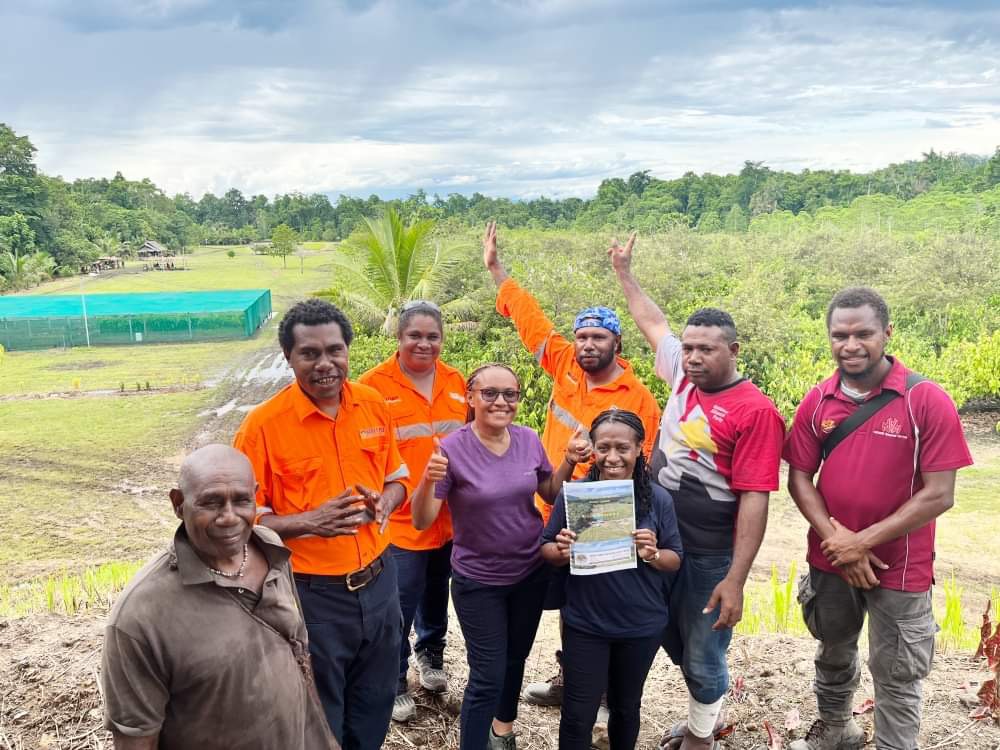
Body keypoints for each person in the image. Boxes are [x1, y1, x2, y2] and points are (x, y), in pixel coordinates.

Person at [610, 234, 786, 750]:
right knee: (667, 635)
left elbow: (755, 498)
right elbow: (652, 322)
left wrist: (736, 579)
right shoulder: (683, 378)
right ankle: (703, 714)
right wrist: (625, 274)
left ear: (733, 351)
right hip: (658, 538)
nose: (692, 357)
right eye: (687, 348)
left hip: (708, 553)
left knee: (705, 650)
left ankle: (702, 736)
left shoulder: (756, 411)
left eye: (706, 349)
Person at [783, 287, 973, 750]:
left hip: (901, 566)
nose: (850, 345)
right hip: (831, 559)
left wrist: (861, 542)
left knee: (898, 671)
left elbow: (939, 494)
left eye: (863, 334)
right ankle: (836, 730)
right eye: (839, 335)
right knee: (833, 651)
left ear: (886, 333)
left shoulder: (925, 400)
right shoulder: (818, 400)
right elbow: (800, 478)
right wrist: (839, 542)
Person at [483, 220, 662, 706]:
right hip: (548, 503)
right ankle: (565, 677)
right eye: (582, 336)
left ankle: (596, 690)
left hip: (600, 513)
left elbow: (642, 467)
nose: (587, 344)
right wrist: (497, 270)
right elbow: (529, 318)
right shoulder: (563, 364)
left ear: (616, 344)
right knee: (554, 596)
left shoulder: (637, 398)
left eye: (598, 337)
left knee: (591, 599)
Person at [233, 298, 410, 750]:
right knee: (320, 711)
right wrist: (309, 522)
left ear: (348, 350)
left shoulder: (372, 405)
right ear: (288, 357)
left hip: (381, 581)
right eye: (309, 353)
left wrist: (386, 502)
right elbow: (241, 518)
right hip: (312, 594)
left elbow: (398, 478)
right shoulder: (262, 427)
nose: (325, 363)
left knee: (375, 702)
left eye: (335, 350)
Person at [101, 444, 338, 750]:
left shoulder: (272, 549)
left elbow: (299, 656)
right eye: (211, 503)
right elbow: (136, 740)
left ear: (255, 496)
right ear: (178, 504)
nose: (229, 517)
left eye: (241, 500)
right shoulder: (139, 617)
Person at [411, 363, 589, 750]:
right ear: (471, 397)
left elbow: (548, 491)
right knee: (487, 675)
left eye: (510, 394)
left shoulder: (527, 439)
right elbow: (421, 520)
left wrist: (570, 461)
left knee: (515, 659)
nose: (501, 402)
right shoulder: (451, 449)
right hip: (479, 581)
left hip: (529, 573)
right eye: (490, 393)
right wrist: (428, 479)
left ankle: (502, 732)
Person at [542, 409, 683, 750]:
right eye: (603, 447)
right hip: (586, 623)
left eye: (623, 448)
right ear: (592, 448)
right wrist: (561, 550)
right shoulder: (575, 495)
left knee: (625, 707)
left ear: (639, 449)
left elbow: (675, 558)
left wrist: (652, 553)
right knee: (577, 714)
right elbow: (546, 548)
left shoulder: (658, 499)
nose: (612, 457)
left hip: (640, 625)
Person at [358, 300, 467, 722]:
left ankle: (431, 654)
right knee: (397, 605)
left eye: (432, 336)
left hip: (448, 519)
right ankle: (395, 678)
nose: (424, 344)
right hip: (400, 522)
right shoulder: (372, 387)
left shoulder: (456, 382)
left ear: (443, 339)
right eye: (414, 335)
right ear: (398, 336)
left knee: (437, 593)